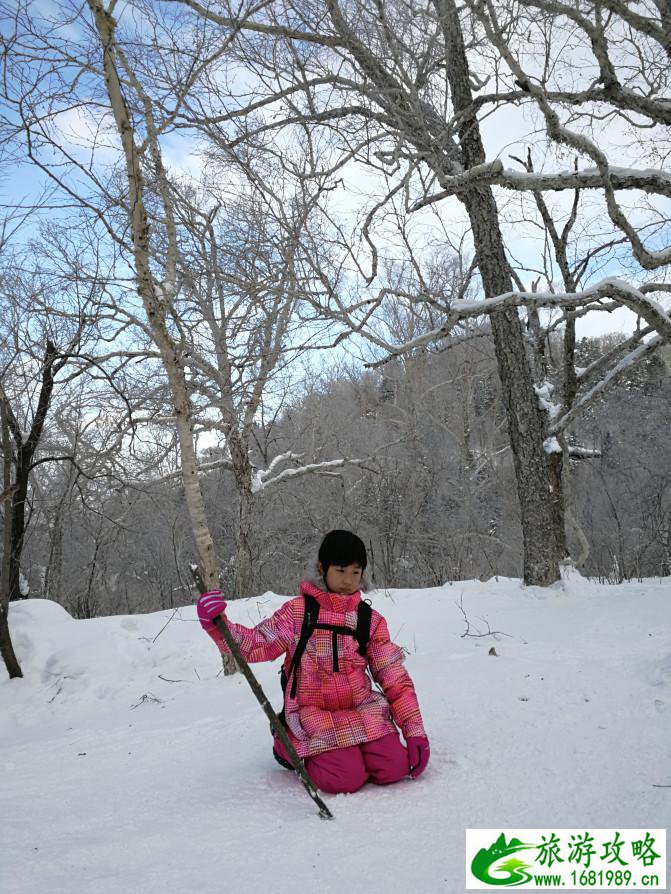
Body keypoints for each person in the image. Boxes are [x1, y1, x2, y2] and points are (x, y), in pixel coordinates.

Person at [196, 529, 429, 795]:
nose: (348, 580)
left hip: (361, 708)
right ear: (322, 568)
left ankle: (352, 750)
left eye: (355, 572)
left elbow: (394, 678)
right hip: (312, 712)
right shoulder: (299, 613)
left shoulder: (368, 620)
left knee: (395, 768)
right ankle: (287, 744)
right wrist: (218, 626)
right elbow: (257, 644)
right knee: (346, 778)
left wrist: (414, 732)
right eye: (341, 570)